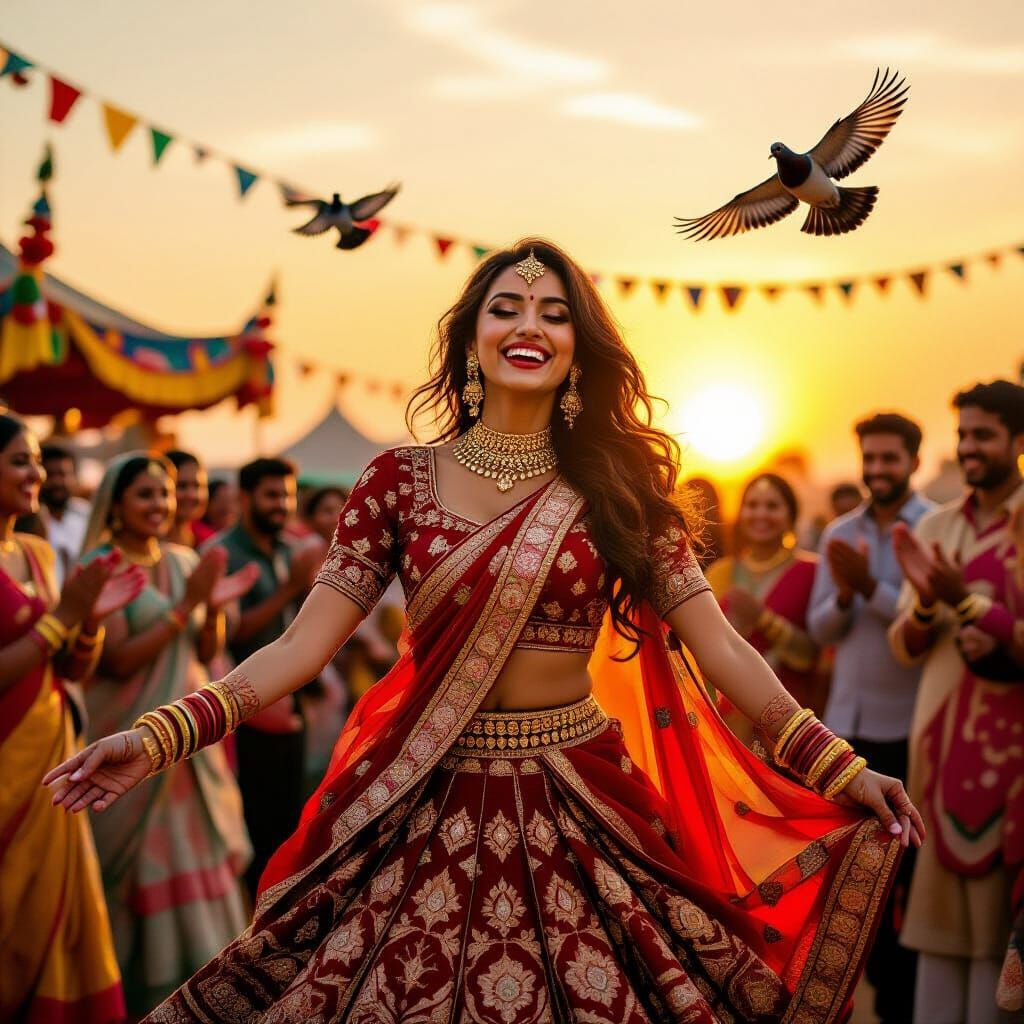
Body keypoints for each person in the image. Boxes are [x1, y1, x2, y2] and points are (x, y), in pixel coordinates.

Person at [48, 240, 923, 1024]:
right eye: (505, 308)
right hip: (421, 793)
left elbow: (722, 646)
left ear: (579, 348)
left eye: (553, 312)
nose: (527, 324)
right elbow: (299, 647)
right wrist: (162, 735)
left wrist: (836, 765)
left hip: (582, 804)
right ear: (471, 339)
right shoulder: (399, 479)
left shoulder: (618, 492)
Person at [77, 453, 257, 1015]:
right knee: (139, 868)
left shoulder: (186, 561)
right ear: (117, 504)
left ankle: (203, 988)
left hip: (190, 751)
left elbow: (205, 652)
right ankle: (135, 995)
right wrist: (186, 606)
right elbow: (118, 664)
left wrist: (212, 608)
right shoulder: (100, 567)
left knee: (198, 855)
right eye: (145, 495)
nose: (161, 505)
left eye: (166, 494)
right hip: (131, 738)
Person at [0, 413, 145, 1024]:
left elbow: (73, 670)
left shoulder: (35, 552)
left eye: (35, 459)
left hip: (51, 752)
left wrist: (87, 621)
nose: (35, 472)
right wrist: (64, 617)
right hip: (7, 764)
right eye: (19, 461)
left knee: (52, 909)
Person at [889, 381, 1024, 1024]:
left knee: (1001, 932)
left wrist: (968, 602)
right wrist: (925, 600)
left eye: (983, 436)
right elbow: (904, 646)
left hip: (1013, 762)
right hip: (938, 754)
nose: (969, 448)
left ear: (1019, 443)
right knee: (937, 928)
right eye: (963, 435)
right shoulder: (936, 526)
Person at [808, 412, 934, 1024]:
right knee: (854, 875)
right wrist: (846, 593)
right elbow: (820, 628)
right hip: (845, 730)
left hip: (909, 729)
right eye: (871, 458)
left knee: (905, 873)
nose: (879, 470)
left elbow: (928, 625)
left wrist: (875, 590)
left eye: (891, 458)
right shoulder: (840, 530)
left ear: (913, 459)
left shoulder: (932, 530)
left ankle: (900, 1000)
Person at [208, 457, 322, 896]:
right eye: (272, 495)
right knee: (254, 822)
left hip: (290, 701)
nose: (282, 505)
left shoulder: (290, 550)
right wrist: (291, 589)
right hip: (241, 708)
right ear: (244, 497)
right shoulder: (223, 554)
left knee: (289, 819)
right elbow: (235, 633)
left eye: (287, 496)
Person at [707, 474, 824, 745]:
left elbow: (813, 656)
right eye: (752, 505)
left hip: (790, 720)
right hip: (728, 721)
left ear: (790, 515)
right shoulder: (720, 573)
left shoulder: (811, 572)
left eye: (772, 506)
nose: (761, 514)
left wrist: (764, 620)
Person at [39, 439, 91, 586]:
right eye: (50, 474)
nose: (57, 482)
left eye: (63, 474)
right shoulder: (28, 521)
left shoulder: (85, 514)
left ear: (74, 477)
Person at [166, 448, 210, 549]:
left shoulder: (208, 542)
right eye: (181, 486)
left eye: (198, 486)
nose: (192, 495)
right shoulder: (146, 546)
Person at [196, 477, 238, 546]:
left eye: (232, 501)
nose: (228, 507)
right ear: (207, 503)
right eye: (221, 501)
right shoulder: (197, 534)